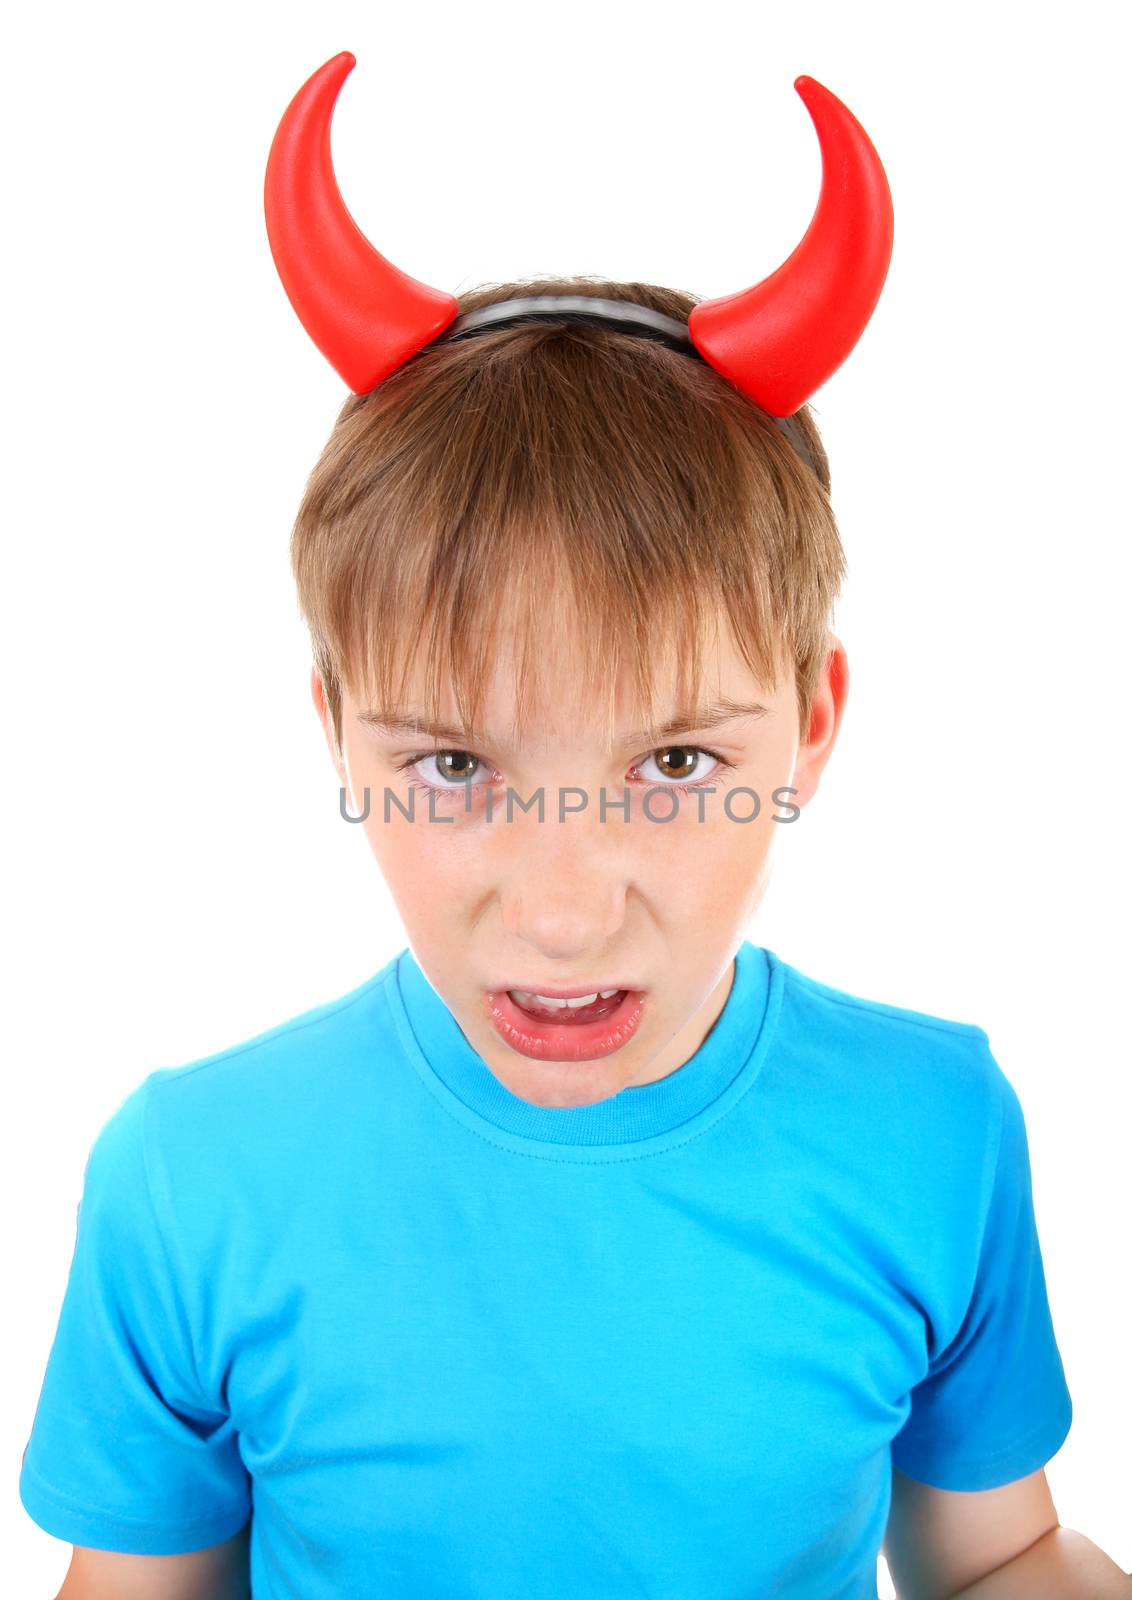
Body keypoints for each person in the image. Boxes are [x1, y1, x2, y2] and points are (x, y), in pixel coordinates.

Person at [18, 50, 1131, 1600]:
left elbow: (986, 1560)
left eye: (675, 763)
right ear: (332, 728)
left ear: (812, 726)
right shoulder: (190, 1179)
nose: (559, 912)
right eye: (455, 767)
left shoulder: (937, 1130)